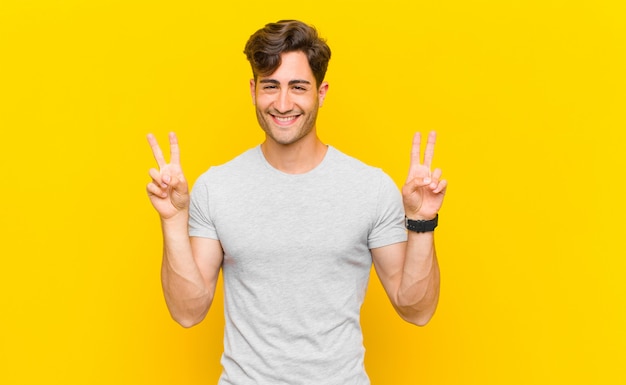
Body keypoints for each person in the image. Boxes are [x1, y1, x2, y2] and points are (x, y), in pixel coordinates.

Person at [146, 19, 447, 385]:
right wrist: (174, 219)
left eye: (298, 87)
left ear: (321, 93)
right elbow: (187, 312)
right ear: (253, 89)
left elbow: (416, 309)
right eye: (270, 86)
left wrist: (420, 222)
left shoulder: (370, 187)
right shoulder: (217, 187)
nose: (283, 103)